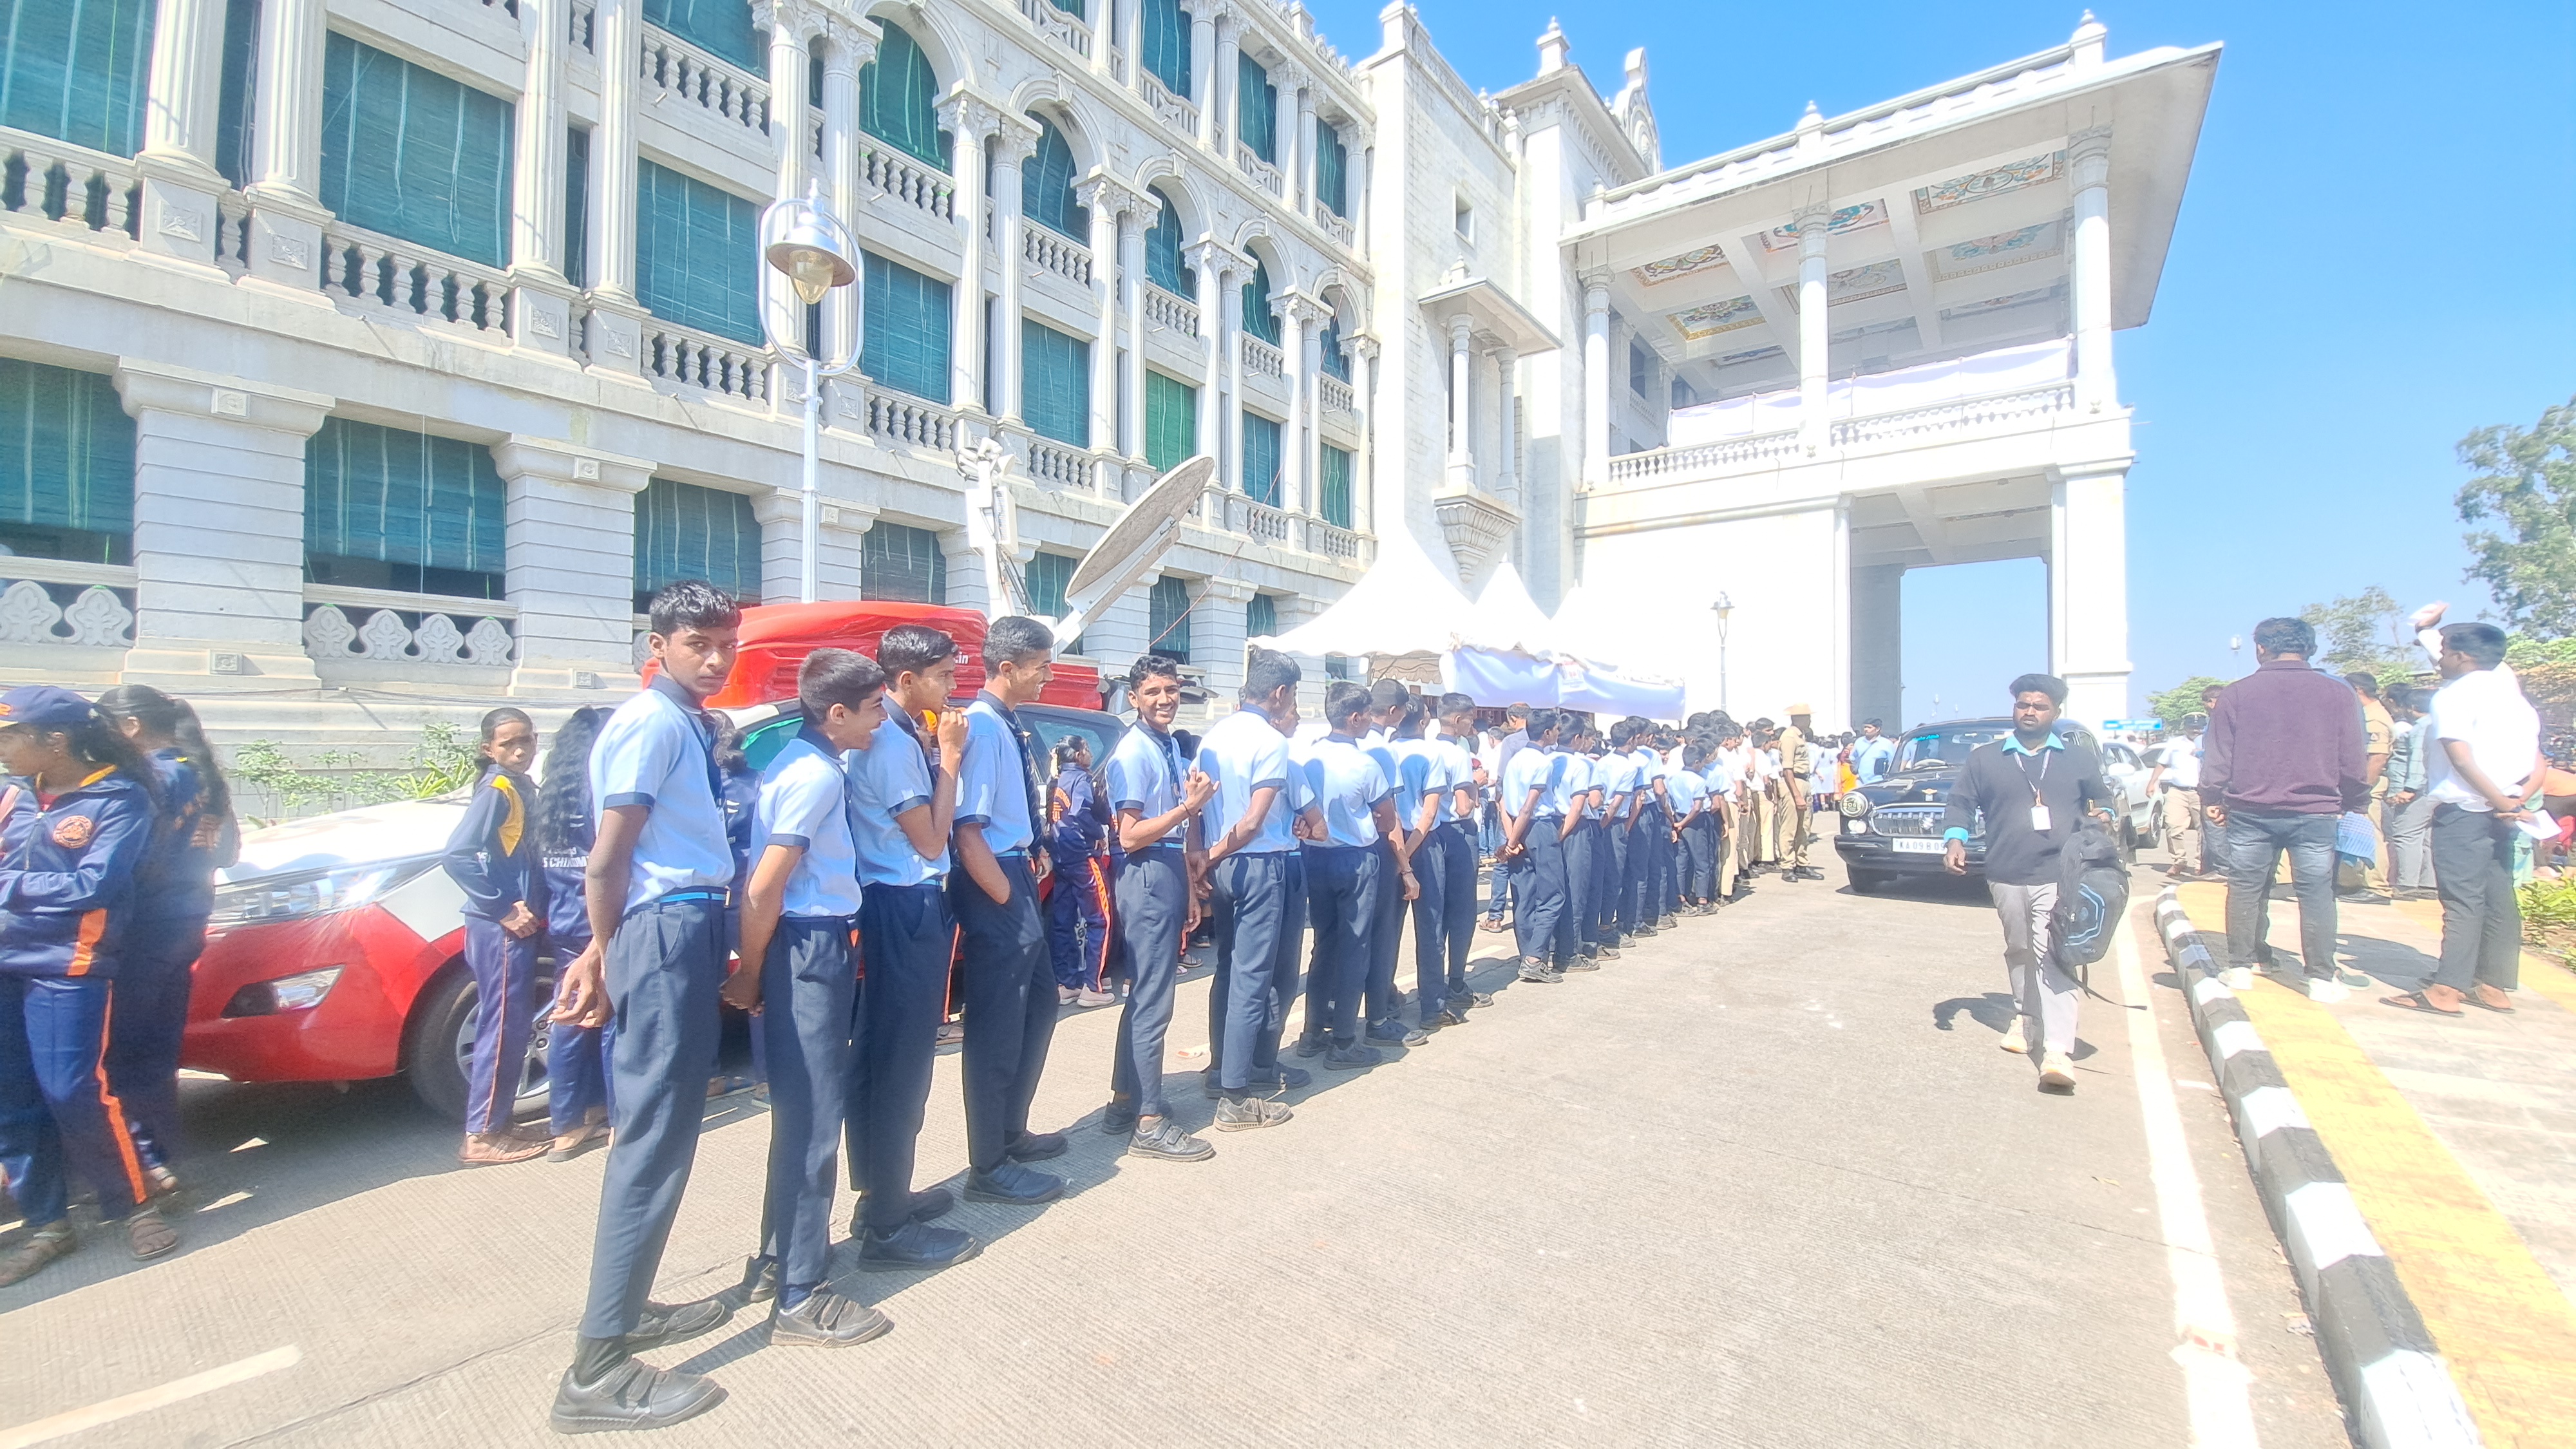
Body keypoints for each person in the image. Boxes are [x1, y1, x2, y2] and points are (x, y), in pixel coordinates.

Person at [547, 581, 746, 1434]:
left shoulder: (682, 723)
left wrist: (606, 948)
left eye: (726, 643)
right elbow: (608, 860)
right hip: (664, 931)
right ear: (658, 645)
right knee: (653, 1137)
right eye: (699, 642)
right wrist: (609, 951)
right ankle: (595, 1371)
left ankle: (627, 1312)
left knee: (664, 1129)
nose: (716, 658)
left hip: (677, 924)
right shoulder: (652, 724)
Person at [726, 649, 911, 1346]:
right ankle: (801, 1295)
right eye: (872, 709)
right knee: (812, 1119)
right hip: (808, 944)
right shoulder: (815, 778)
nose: (880, 721)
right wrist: (750, 970)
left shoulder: (802, 764)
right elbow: (765, 886)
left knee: (803, 1114)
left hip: (808, 941)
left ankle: (780, 1259)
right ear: (836, 714)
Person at [0, 685, 173, 1285]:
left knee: (73, 1090)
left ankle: (133, 1206)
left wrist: (7, 887)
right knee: (12, 1099)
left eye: (11, 736)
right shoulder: (14, 795)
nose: (3, 748)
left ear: (56, 740)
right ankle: (47, 1224)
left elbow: (94, 886)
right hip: (4, 961)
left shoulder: (118, 798)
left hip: (69, 964)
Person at [842, 623, 977, 1267]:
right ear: (906, 680)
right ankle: (887, 1226)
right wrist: (949, 759)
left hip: (889, 901)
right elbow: (929, 840)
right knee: (902, 1063)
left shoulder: (892, 732)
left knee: (882, 1055)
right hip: (905, 901)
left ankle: (883, 1195)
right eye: (943, 676)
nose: (952, 686)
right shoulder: (894, 742)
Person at [95, 684, 236, 1192]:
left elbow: (131, 860)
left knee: (122, 1049)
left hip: (143, 928)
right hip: (188, 922)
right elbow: (228, 852)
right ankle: (164, 1153)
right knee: (157, 1046)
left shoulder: (148, 778)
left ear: (131, 726)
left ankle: (142, 1162)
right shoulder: (201, 771)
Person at [1941, 674, 2111, 1094]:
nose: (2030, 712)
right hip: (2006, 871)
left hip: (2060, 873)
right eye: (2023, 705)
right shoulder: (1986, 758)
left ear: (2056, 712)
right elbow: (1961, 803)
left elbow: (2102, 798)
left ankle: (2057, 1051)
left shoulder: (2077, 758)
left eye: (2040, 706)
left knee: (2052, 954)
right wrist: (1955, 840)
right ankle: (2026, 1016)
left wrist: (2104, 816)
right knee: (2019, 948)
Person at [951, 616, 1069, 1204]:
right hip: (995, 878)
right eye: (1041, 667)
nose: (1048, 676)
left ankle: (1010, 1130)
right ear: (1007, 667)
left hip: (1016, 869)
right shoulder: (981, 726)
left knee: (1039, 1005)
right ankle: (988, 1165)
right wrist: (1004, 895)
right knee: (997, 1024)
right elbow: (967, 829)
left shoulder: (1007, 725)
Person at [2197, 617, 2372, 1001]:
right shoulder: (2338, 693)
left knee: (2246, 888)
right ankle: (2320, 978)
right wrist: (2356, 801)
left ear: (2261, 648)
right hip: (2315, 811)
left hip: (2250, 812)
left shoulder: (2237, 694)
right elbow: (2352, 757)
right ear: (2310, 648)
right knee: (2316, 893)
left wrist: (2213, 798)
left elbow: (2218, 756)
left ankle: (2242, 967)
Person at [2385, 623, 2541, 1018]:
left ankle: (2446, 989)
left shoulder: (2454, 696)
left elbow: (2461, 758)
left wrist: (2497, 801)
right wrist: (2514, 802)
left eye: (2444, 652)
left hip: (2465, 811)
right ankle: (2493, 985)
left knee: (2462, 901)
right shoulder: (2517, 701)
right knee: (2499, 897)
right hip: (2506, 810)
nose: (2440, 660)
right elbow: (2538, 763)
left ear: (2461, 656)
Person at [1101, 654, 1218, 1160]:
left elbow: (1174, 829)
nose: (1165, 699)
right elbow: (1129, 836)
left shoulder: (1165, 744)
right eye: (1153, 692)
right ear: (1134, 698)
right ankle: (1148, 1121)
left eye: (1170, 690)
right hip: (1146, 870)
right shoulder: (1134, 752)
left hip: (1166, 869)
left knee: (1147, 994)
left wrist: (1188, 889)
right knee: (1153, 999)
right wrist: (1189, 807)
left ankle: (1127, 1100)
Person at [1193, 650, 1306, 1126]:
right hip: (1257, 863)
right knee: (1253, 977)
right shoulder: (1270, 741)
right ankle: (1236, 1095)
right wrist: (1214, 854)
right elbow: (1254, 821)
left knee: (1229, 967)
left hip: (1224, 867)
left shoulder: (1213, 737)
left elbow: (1196, 809)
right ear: (1279, 693)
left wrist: (1204, 859)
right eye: (1293, 694)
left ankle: (1224, 1068)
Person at [440, 707, 551, 1166]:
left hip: (508, 927)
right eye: (509, 744)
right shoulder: (498, 789)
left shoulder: (519, 786)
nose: (520, 750)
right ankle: (482, 1134)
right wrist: (504, 908)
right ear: (489, 749)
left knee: (510, 1024)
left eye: (526, 740)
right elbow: (457, 855)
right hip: (501, 930)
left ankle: (499, 1122)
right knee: (502, 1027)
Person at [1293, 682, 1412, 1066]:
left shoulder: (1309, 758)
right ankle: (1344, 1040)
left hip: (1315, 856)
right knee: (1355, 947)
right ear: (1356, 718)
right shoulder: (1365, 764)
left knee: (1324, 944)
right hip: (1355, 858)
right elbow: (1388, 818)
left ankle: (1313, 1031)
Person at [531, 705, 613, 1163]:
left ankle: (568, 1122)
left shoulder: (551, 799)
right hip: (596, 923)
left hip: (563, 918)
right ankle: (618, 1118)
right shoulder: (598, 796)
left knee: (570, 1014)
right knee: (608, 1015)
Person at [1423, 694, 1490, 1021]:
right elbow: (1464, 807)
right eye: (1470, 719)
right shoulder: (1458, 754)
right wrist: (1477, 785)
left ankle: (1432, 987)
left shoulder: (1426, 749)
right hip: (1459, 833)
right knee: (1462, 913)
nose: (1472, 725)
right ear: (1457, 720)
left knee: (1434, 915)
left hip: (1431, 834)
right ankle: (1457, 982)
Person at [1498, 708, 1569, 984]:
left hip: (1517, 826)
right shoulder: (1542, 762)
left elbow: (1504, 801)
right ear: (1548, 733)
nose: (1558, 734)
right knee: (1552, 895)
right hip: (1537, 827)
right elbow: (1529, 806)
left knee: (1524, 894)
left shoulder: (1516, 759)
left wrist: (1511, 837)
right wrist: (1512, 841)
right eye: (1556, 730)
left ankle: (1526, 953)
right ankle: (1535, 959)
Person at [1045, 735, 1114, 1009]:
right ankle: (1092, 986)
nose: (1090, 754)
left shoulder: (1057, 779)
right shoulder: (1081, 779)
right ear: (1077, 755)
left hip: (1061, 855)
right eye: (1086, 749)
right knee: (1100, 919)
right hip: (1083, 856)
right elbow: (1081, 812)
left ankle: (1067, 983)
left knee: (1063, 921)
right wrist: (1098, 834)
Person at [2344, 672, 2396, 902]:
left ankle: (2377, 886)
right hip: (2362, 782)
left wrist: (2361, 789)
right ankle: (2353, 882)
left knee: (2371, 832)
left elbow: (2377, 757)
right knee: (2356, 832)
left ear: (2358, 690)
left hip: (2369, 783)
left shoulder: (2374, 717)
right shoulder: (2367, 713)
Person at [1480, 704, 1530, 933]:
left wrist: (1500, 803)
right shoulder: (1544, 741)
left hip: (1511, 809)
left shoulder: (1511, 742)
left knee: (1503, 860)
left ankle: (1495, 916)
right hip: (1535, 812)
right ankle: (1526, 914)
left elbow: (1502, 777)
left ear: (1512, 719)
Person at [2380, 687, 2434, 898]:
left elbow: (2418, 759)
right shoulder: (2433, 725)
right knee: (2424, 838)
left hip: (2415, 790)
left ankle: (2407, 884)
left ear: (2412, 707)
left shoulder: (2420, 728)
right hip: (2429, 789)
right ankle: (2428, 884)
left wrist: (2409, 789)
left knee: (2406, 835)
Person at [2143, 712, 2206, 878]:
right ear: (2185, 727)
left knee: (2204, 830)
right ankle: (2179, 861)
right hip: (2178, 791)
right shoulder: (2176, 743)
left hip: (2202, 792)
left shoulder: (2210, 742)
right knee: (2172, 826)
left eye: (2199, 728)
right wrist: (2152, 782)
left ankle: (2200, 864)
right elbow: (2162, 763)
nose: (2195, 731)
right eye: (2192, 727)